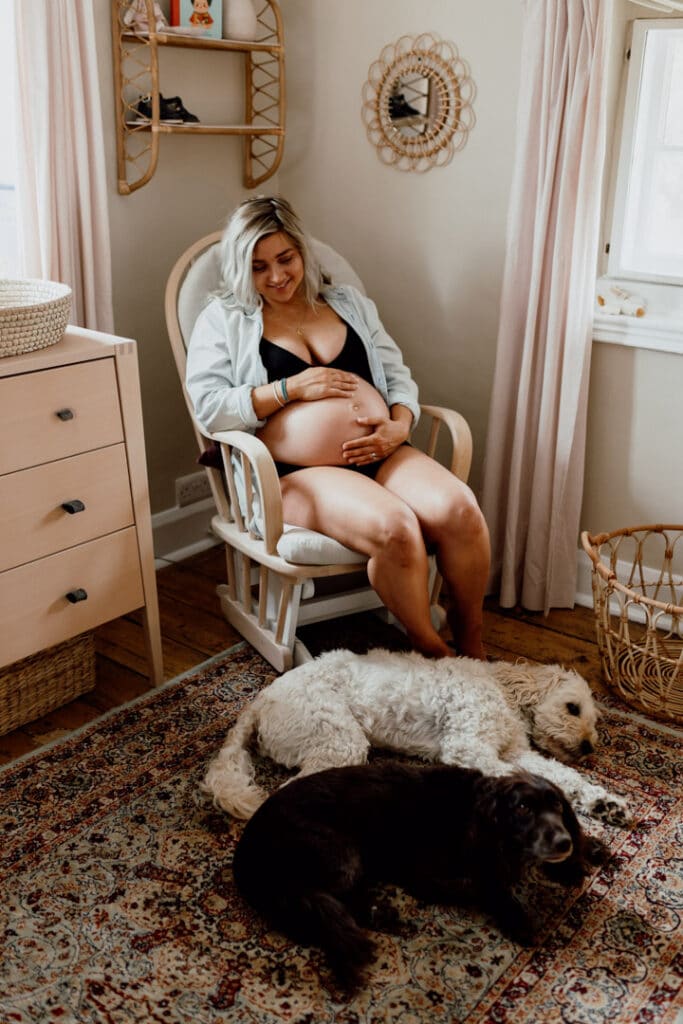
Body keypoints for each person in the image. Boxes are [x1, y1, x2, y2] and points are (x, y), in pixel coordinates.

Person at [185, 196, 490, 659]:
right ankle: (432, 651)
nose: (277, 276)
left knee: (460, 511)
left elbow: (398, 375)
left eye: (285, 258)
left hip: (382, 450)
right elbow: (209, 407)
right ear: (241, 269)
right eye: (258, 266)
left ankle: (472, 641)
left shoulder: (347, 303)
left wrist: (398, 424)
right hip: (293, 473)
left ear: (303, 251)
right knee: (396, 528)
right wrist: (290, 389)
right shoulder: (225, 320)